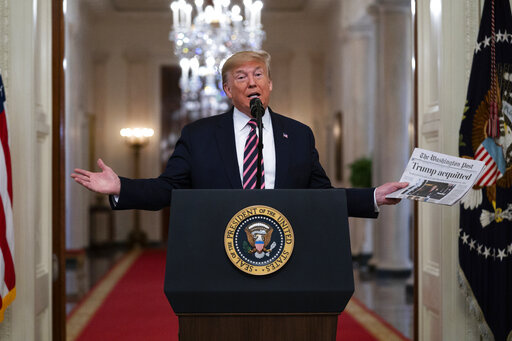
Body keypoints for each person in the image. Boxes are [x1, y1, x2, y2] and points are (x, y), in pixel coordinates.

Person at [71, 50, 407, 217]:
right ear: (227, 90)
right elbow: (168, 189)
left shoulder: (299, 135)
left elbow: (320, 195)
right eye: (241, 77)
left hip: (286, 253)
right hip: (217, 254)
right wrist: (121, 187)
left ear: (270, 84)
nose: (252, 82)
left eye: (258, 74)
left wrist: (372, 196)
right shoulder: (198, 135)